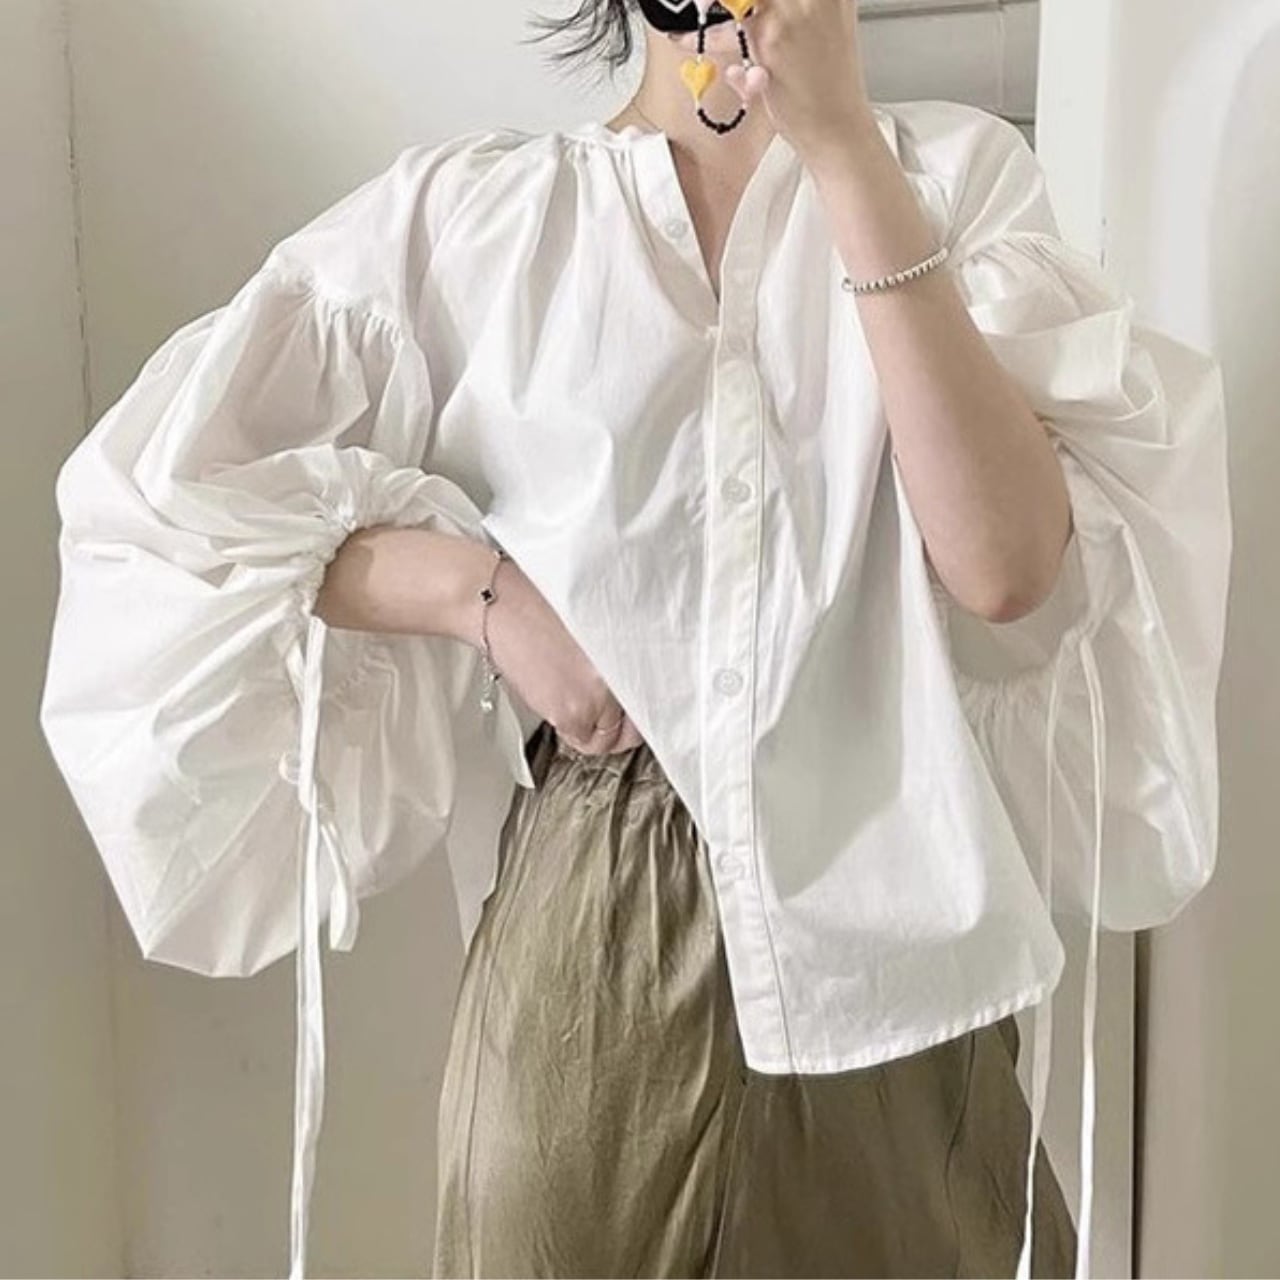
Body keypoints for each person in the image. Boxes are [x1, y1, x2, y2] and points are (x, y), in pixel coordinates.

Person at [38, 1, 1232, 1277]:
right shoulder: (477, 224)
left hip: (895, 972)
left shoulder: (949, 182)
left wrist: (838, 146)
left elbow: (1002, 567)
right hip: (587, 957)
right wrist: (480, 593)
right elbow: (161, 512)